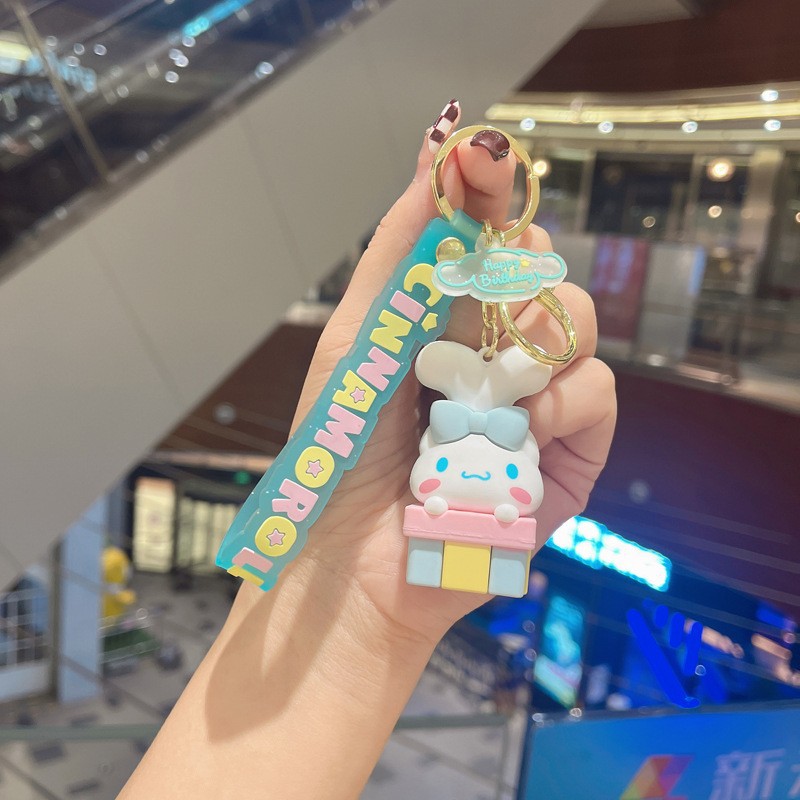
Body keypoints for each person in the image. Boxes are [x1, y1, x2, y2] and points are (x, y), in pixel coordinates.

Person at [119, 103, 616, 799]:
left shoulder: (492, 424)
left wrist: (360, 614)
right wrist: (341, 591)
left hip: (482, 512)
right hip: (439, 501)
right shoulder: (451, 413)